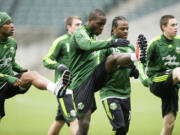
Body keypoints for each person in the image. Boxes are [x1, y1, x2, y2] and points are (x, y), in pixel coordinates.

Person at [62, 9, 147, 135]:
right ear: (90, 21)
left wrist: (132, 70)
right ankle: (135, 56)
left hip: (95, 77)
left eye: (103, 24)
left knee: (112, 60)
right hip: (82, 83)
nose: (102, 28)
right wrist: (111, 42)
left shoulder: (93, 34)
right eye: (99, 24)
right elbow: (88, 45)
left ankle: (136, 56)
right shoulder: (80, 33)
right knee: (84, 124)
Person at [0, 12, 71, 120]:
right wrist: (8, 77)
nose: (12, 25)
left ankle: (56, 88)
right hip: (6, 81)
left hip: (9, 84)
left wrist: (19, 69)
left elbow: (11, 62)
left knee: (32, 75)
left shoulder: (12, 43)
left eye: (12, 22)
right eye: (7, 23)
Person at [138, 15, 180, 135]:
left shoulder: (179, 42)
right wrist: (145, 80)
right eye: (172, 25)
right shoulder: (154, 43)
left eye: (176, 24)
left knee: (169, 126)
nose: (176, 27)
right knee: (177, 70)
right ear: (164, 27)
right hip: (157, 81)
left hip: (172, 85)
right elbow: (141, 64)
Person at [99, 16, 139, 135]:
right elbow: (98, 69)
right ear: (114, 29)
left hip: (125, 93)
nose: (126, 31)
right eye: (122, 29)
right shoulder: (106, 47)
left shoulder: (130, 47)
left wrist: (133, 71)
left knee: (124, 130)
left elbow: (130, 67)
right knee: (120, 127)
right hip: (109, 93)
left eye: (127, 28)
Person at [43, 16, 82, 135]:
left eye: (81, 24)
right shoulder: (61, 41)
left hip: (77, 87)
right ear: (68, 27)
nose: (80, 27)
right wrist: (58, 66)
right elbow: (46, 60)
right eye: (77, 24)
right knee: (74, 120)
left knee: (59, 120)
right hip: (64, 88)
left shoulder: (83, 42)